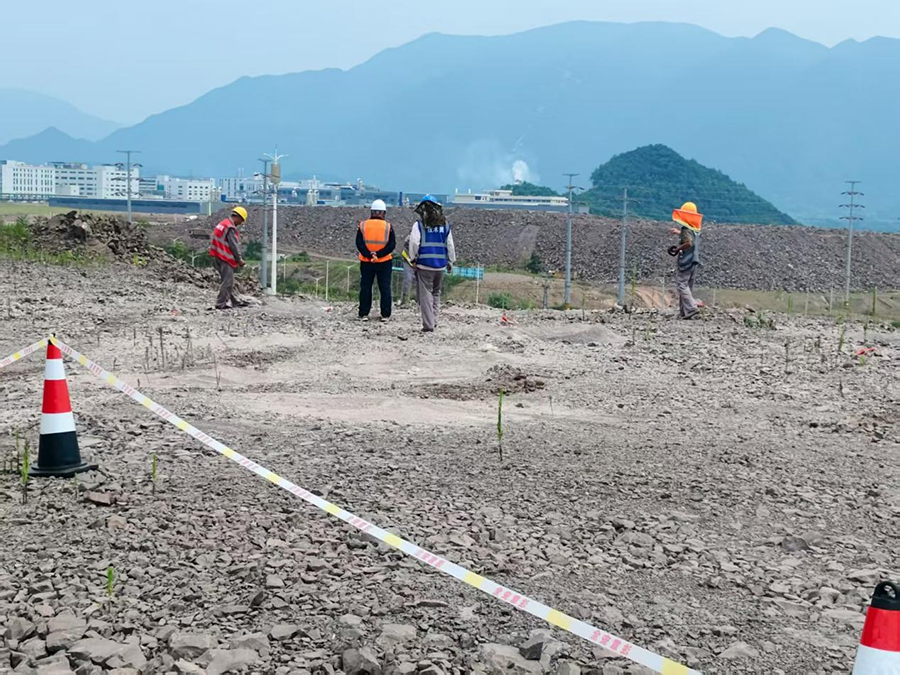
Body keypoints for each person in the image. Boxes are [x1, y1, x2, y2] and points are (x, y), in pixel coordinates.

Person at [409, 195, 456, 332]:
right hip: (440, 265)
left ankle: (428, 325)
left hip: (424, 265)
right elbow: (450, 245)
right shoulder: (445, 226)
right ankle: (434, 320)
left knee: (426, 295)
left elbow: (414, 243)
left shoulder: (419, 225)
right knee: (436, 293)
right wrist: (451, 261)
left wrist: (413, 259)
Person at [356, 199, 396, 321]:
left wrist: (369, 255)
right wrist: (378, 255)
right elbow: (391, 245)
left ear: (371, 212)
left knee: (366, 287)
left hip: (366, 261)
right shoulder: (388, 226)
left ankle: (363, 313)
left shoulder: (363, 225)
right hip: (384, 262)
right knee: (385, 288)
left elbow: (359, 243)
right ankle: (385, 314)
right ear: (384, 213)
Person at [668, 201, 703, 320]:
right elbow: (691, 237)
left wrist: (678, 249)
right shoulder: (695, 229)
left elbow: (688, 243)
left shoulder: (686, 228)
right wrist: (679, 233)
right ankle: (684, 311)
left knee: (682, 285)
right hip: (694, 260)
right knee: (688, 286)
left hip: (686, 261)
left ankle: (692, 308)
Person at [209, 206, 248, 310]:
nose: (240, 224)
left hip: (217, 255)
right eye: (241, 221)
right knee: (227, 282)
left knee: (228, 280)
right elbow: (233, 245)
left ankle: (234, 301)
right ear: (239, 217)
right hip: (224, 257)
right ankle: (220, 303)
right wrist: (239, 260)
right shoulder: (230, 227)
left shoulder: (223, 224)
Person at [397, 233, 416, 306]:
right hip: (408, 259)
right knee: (407, 280)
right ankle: (404, 300)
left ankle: (420, 301)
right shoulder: (410, 237)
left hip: (419, 260)